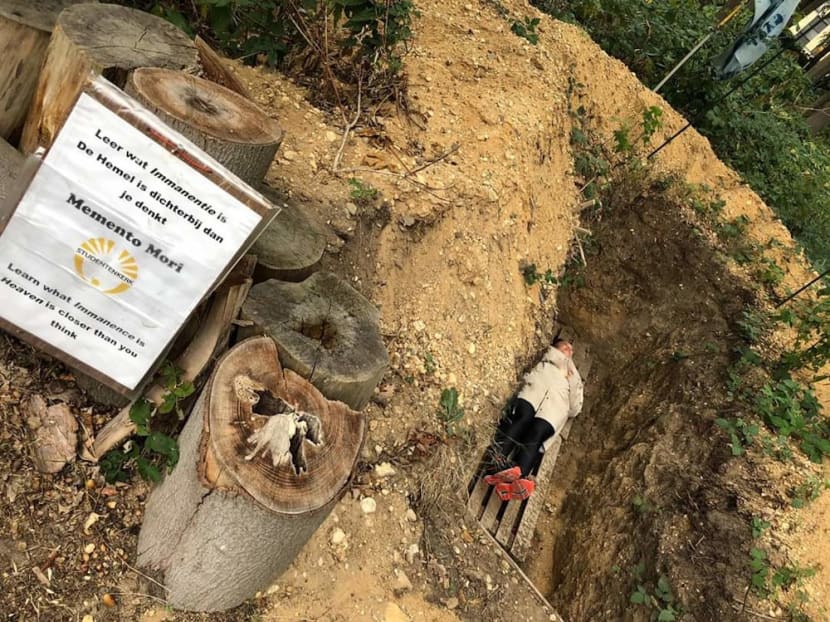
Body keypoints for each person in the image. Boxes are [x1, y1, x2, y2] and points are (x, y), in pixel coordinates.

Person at [485, 336, 584, 501]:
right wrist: (553, 357)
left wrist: (572, 380)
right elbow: (526, 363)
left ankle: (518, 480)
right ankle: (495, 462)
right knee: (522, 418)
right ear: (555, 345)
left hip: (554, 407)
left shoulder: (575, 377)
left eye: (571, 348)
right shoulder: (546, 354)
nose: (569, 348)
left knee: (536, 433)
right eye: (565, 345)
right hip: (534, 391)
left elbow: (575, 408)